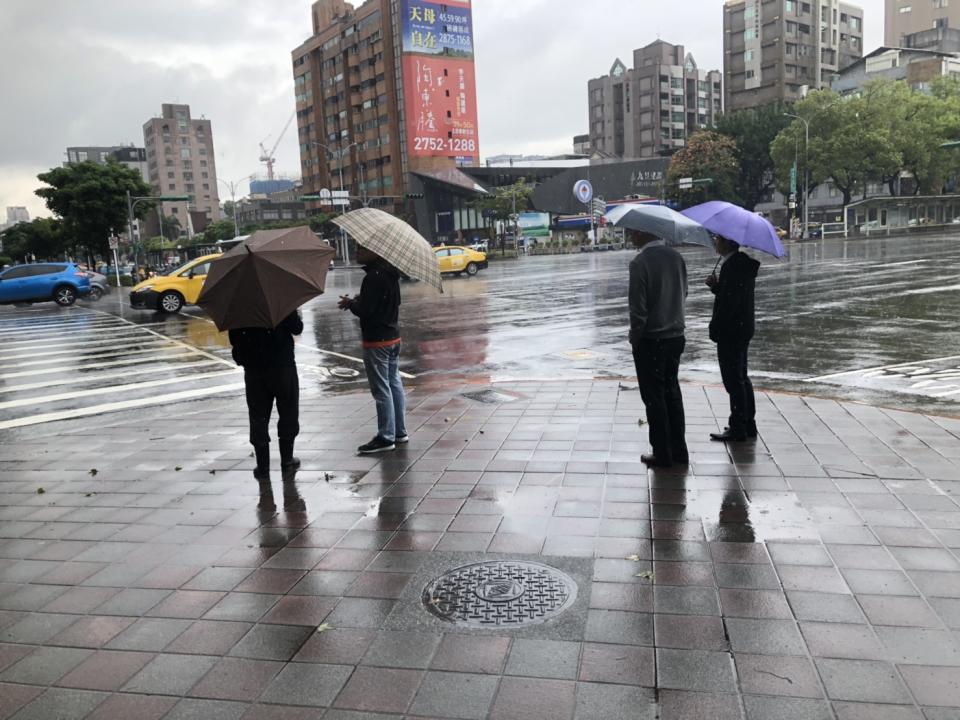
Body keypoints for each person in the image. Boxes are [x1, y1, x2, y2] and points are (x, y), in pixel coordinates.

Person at [627, 228, 689, 468]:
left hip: (651, 339)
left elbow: (638, 307)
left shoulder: (640, 263)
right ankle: (679, 450)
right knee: (672, 392)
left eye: (634, 232)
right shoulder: (676, 258)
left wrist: (635, 336)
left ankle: (662, 452)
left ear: (644, 233)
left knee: (654, 397)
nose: (631, 235)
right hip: (676, 336)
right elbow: (684, 293)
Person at [338, 244, 408, 454]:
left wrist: (351, 305)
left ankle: (386, 437)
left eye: (361, 249)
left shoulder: (373, 277)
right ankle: (399, 432)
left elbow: (366, 311)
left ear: (375, 252)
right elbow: (388, 303)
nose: (357, 252)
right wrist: (358, 301)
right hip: (392, 337)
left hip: (377, 341)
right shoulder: (390, 274)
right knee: (394, 383)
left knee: (381, 389)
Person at [228, 311, 303, 480]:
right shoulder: (279, 299)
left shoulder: (240, 305)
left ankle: (263, 467)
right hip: (282, 366)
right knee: (288, 412)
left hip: (254, 369)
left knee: (258, 416)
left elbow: (234, 339)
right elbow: (297, 328)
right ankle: (287, 461)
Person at [705, 235, 760, 442]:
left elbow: (729, 304)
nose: (715, 242)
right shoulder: (739, 264)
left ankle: (738, 426)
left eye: (718, 239)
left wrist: (715, 328)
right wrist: (716, 287)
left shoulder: (732, 267)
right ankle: (747, 423)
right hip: (742, 328)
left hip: (731, 331)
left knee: (733, 380)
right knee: (741, 377)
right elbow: (732, 294)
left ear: (728, 243)